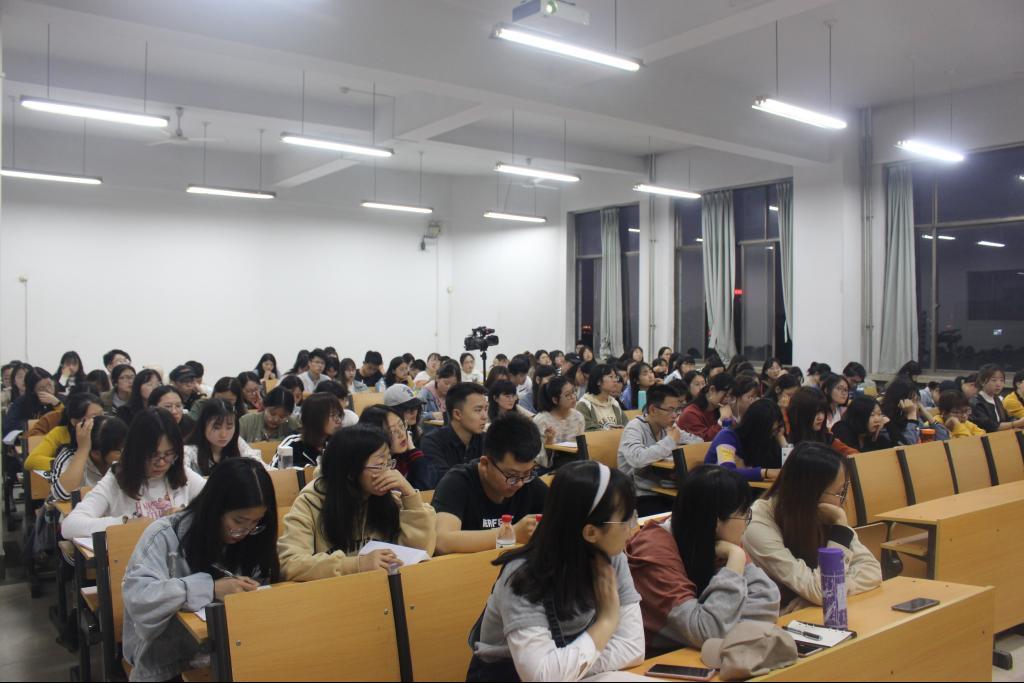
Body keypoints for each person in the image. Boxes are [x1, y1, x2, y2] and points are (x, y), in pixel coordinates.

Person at [467, 459, 642, 680]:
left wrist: (566, 668)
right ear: (590, 532)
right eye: (626, 520)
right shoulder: (523, 577)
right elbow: (541, 676)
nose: (634, 529)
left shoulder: (612, 558)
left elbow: (633, 647)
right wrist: (607, 621)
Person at [121, 458, 278, 682]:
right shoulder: (164, 535)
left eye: (255, 522)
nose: (245, 531)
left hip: (235, 654)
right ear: (215, 509)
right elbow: (140, 599)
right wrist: (210, 589)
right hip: (166, 664)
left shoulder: (255, 536)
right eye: (238, 521)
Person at [627, 465, 779, 652]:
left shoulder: (715, 538)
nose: (747, 523)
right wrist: (736, 559)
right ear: (716, 522)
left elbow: (768, 600)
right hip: (661, 657)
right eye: (743, 514)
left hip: (700, 652)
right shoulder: (653, 550)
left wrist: (723, 624)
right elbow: (707, 631)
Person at [278, 425, 436, 580]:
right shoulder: (311, 502)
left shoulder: (388, 499)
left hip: (382, 589)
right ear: (350, 470)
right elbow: (290, 563)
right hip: (333, 593)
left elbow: (420, 554)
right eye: (379, 465)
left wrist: (409, 494)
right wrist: (356, 565)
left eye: (389, 463)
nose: (388, 473)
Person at [743, 442, 882, 613]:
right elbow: (824, 591)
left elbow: (872, 570)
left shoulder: (824, 515)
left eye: (844, 491)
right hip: (773, 619)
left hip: (810, 612)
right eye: (839, 493)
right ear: (810, 493)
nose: (844, 500)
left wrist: (824, 594)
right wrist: (823, 593)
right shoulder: (757, 523)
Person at [61, 408, 207, 539]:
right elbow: (70, 526)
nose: (161, 463)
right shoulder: (117, 479)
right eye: (153, 455)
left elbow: (216, 503)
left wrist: (187, 514)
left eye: (169, 454)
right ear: (136, 451)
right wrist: (125, 522)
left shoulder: (181, 474)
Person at [433, 413, 548, 555]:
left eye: (528, 473)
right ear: (485, 464)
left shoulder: (526, 481)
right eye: (511, 475)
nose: (519, 484)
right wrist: (512, 533)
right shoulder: (457, 482)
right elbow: (442, 542)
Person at [618, 385, 701, 515]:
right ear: (653, 410)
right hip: (638, 495)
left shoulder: (668, 426)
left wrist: (676, 443)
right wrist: (670, 442)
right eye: (670, 410)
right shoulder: (634, 427)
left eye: (677, 410)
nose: (675, 416)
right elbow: (637, 459)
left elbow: (698, 442)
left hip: (663, 489)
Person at [50, 415, 128, 502]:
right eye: (120, 450)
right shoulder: (70, 456)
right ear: (96, 454)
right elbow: (61, 494)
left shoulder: (127, 457)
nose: (127, 453)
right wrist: (83, 449)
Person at [706, 399, 786, 483]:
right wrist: (766, 472)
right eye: (771, 431)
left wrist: (781, 439)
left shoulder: (768, 438)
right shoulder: (727, 436)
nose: (772, 435)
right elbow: (727, 472)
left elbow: (788, 468)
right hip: (716, 486)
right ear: (757, 428)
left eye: (775, 430)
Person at [359, 406, 437, 491]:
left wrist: (413, 449)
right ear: (375, 434)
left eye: (401, 425)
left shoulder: (406, 456)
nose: (401, 434)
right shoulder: (375, 466)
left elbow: (428, 487)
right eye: (393, 431)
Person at [420, 382, 487, 478]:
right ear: (457, 414)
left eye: (486, 409)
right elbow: (444, 481)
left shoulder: (486, 439)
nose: (484, 416)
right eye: (478, 410)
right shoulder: (433, 442)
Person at [25, 392, 104, 472]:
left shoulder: (106, 430)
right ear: (75, 421)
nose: (102, 420)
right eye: (95, 417)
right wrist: (67, 465)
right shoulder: (60, 433)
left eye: (102, 415)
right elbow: (31, 461)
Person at [184, 399, 263, 476]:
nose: (223, 434)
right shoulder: (188, 450)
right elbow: (183, 475)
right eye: (216, 428)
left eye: (229, 427)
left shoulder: (237, 441)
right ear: (203, 426)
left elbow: (256, 462)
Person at [273, 392, 344, 468]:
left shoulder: (337, 443)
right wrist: (308, 468)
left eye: (339, 415)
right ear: (315, 418)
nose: (338, 420)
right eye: (332, 415)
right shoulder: (293, 443)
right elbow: (276, 470)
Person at [786, 387, 857, 455]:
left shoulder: (825, 436)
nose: (821, 417)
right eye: (815, 413)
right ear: (802, 413)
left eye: (822, 412)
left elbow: (849, 452)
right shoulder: (787, 438)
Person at [533, 376, 586, 462]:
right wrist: (549, 441)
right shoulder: (541, 420)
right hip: (551, 466)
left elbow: (582, 447)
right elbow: (540, 459)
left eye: (573, 392)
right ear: (555, 400)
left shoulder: (578, 417)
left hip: (575, 463)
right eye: (567, 395)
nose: (573, 397)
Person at [2, 368, 61, 440]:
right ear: (33, 391)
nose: (48, 390)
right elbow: (8, 426)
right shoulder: (22, 402)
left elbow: (69, 421)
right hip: (33, 440)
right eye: (42, 388)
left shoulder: (62, 399)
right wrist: (35, 424)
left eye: (50, 385)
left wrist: (57, 404)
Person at [677, 373, 734, 441]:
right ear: (712, 390)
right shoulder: (690, 413)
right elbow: (704, 440)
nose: (728, 400)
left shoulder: (718, 409)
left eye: (731, 396)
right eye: (726, 395)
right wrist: (722, 420)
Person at [971, 364, 1024, 432]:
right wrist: (1017, 423)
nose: (998, 384)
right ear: (982, 382)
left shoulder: (997, 399)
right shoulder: (975, 402)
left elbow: (1008, 418)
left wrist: (1018, 422)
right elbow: (992, 427)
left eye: (1001, 380)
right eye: (994, 380)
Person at [577, 365, 628, 431]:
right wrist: (608, 431)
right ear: (598, 381)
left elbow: (626, 425)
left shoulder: (614, 403)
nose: (615, 380)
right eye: (611, 377)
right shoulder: (584, 404)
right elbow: (587, 430)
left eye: (616, 377)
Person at [877, 379, 927, 445]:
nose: (915, 406)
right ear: (899, 401)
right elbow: (909, 446)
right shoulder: (885, 422)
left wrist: (925, 412)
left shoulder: (913, 417)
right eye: (912, 400)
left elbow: (940, 437)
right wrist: (912, 416)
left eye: (917, 400)